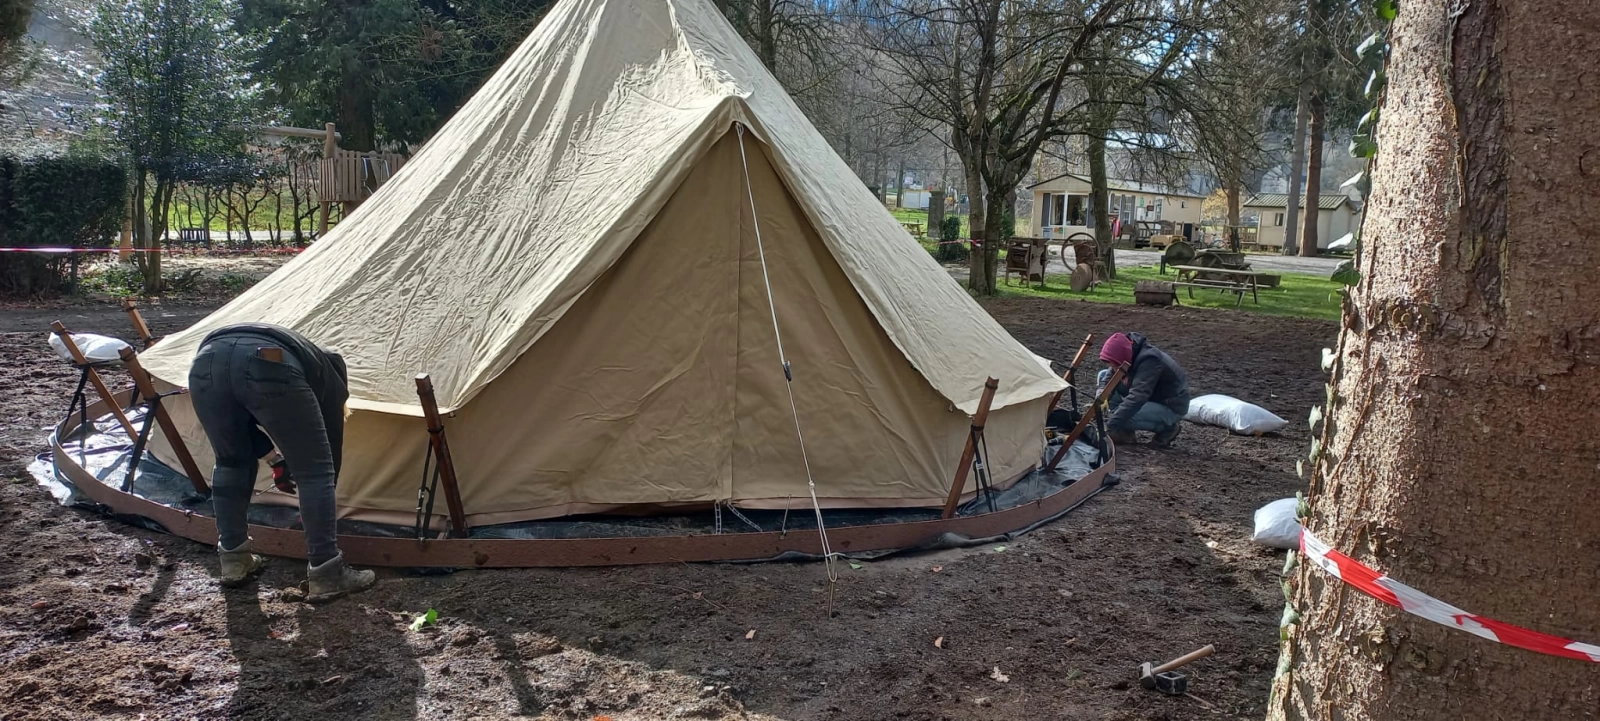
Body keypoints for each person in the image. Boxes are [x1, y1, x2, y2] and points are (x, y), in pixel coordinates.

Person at [187, 323, 375, 602]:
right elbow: (325, 460)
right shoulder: (331, 380)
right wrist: (316, 482)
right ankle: (327, 573)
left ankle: (234, 561)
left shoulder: (308, 356)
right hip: (269, 361)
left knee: (230, 462)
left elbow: (245, 430)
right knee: (315, 473)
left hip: (207, 360)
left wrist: (276, 460)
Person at [1096, 331, 1190, 448]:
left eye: (1116, 365)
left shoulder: (1150, 360)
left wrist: (1109, 426)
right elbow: (1110, 375)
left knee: (1125, 416)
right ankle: (1124, 432)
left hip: (1170, 405)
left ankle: (1168, 428)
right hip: (1151, 394)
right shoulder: (1128, 351)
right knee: (1103, 375)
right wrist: (1101, 394)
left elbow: (1137, 397)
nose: (1113, 369)